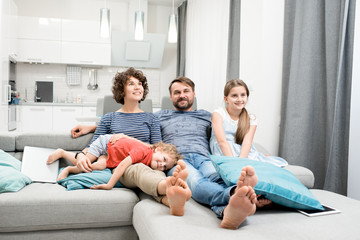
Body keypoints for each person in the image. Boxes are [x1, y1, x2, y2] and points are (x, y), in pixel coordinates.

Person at [67, 67, 191, 216]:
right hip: (124, 164)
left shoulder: (151, 118)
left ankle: (172, 200)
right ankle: (170, 185)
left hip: (147, 162)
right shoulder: (109, 118)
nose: (138, 87)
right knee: (138, 169)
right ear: (122, 90)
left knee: (154, 173)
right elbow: (93, 146)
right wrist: (80, 155)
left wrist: (127, 138)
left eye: (140, 84)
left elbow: (158, 147)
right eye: (131, 83)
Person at [209, 79, 288, 167]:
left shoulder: (251, 118)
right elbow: (222, 141)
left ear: (247, 97)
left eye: (243, 95)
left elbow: (247, 143)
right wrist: (233, 163)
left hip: (242, 152)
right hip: (224, 151)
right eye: (234, 96)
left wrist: (241, 162)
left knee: (260, 163)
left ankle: (259, 158)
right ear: (226, 99)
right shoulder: (219, 114)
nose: (239, 99)